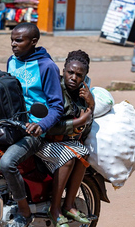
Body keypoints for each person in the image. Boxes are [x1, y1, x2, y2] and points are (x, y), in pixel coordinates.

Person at [0, 22, 64, 227]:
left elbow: (57, 106)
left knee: (6, 163)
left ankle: (25, 213)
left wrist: (42, 126)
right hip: (12, 124)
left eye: (18, 40)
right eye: (12, 39)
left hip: (34, 130)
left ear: (33, 42)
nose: (13, 44)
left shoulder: (47, 67)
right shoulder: (11, 61)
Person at [38, 50, 94, 227]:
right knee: (69, 158)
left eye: (79, 75)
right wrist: (79, 121)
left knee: (83, 154)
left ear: (84, 77)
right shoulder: (56, 90)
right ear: (64, 70)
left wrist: (91, 103)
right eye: (70, 72)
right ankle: (55, 208)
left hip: (65, 141)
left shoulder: (82, 94)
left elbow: (87, 123)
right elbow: (50, 125)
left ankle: (68, 205)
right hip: (45, 140)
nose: (73, 78)